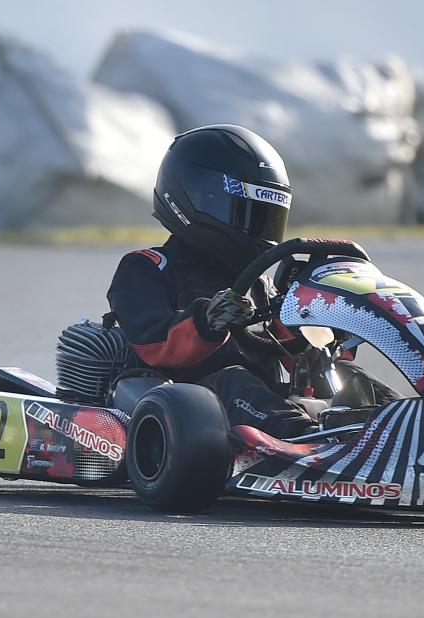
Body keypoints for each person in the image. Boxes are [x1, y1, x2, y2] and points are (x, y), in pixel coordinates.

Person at [107, 124, 397, 438]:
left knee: (346, 375)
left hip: (258, 402)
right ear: (194, 196)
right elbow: (155, 343)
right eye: (246, 212)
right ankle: (307, 439)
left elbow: (287, 351)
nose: (258, 228)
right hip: (186, 403)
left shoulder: (258, 283)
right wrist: (207, 322)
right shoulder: (146, 268)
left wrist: (325, 332)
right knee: (235, 379)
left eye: (266, 215)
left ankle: (401, 427)